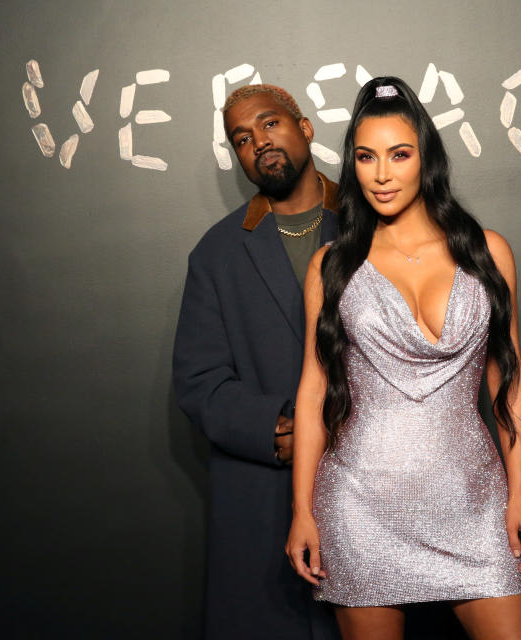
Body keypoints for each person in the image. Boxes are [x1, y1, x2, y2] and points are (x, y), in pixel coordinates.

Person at [285, 76, 521, 640]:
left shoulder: (487, 252)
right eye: (365, 157)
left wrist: (518, 495)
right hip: (360, 507)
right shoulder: (332, 266)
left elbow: (510, 383)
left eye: (399, 155)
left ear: (425, 158)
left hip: (472, 504)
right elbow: (312, 391)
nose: (381, 174)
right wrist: (303, 509)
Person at [173, 84, 340, 640]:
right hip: (264, 499)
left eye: (269, 124)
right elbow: (199, 382)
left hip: (382, 487)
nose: (258, 142)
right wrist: (285, 433)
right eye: (242, 139)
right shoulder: (216, 253)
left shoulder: (380, 224)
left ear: (305, 127)